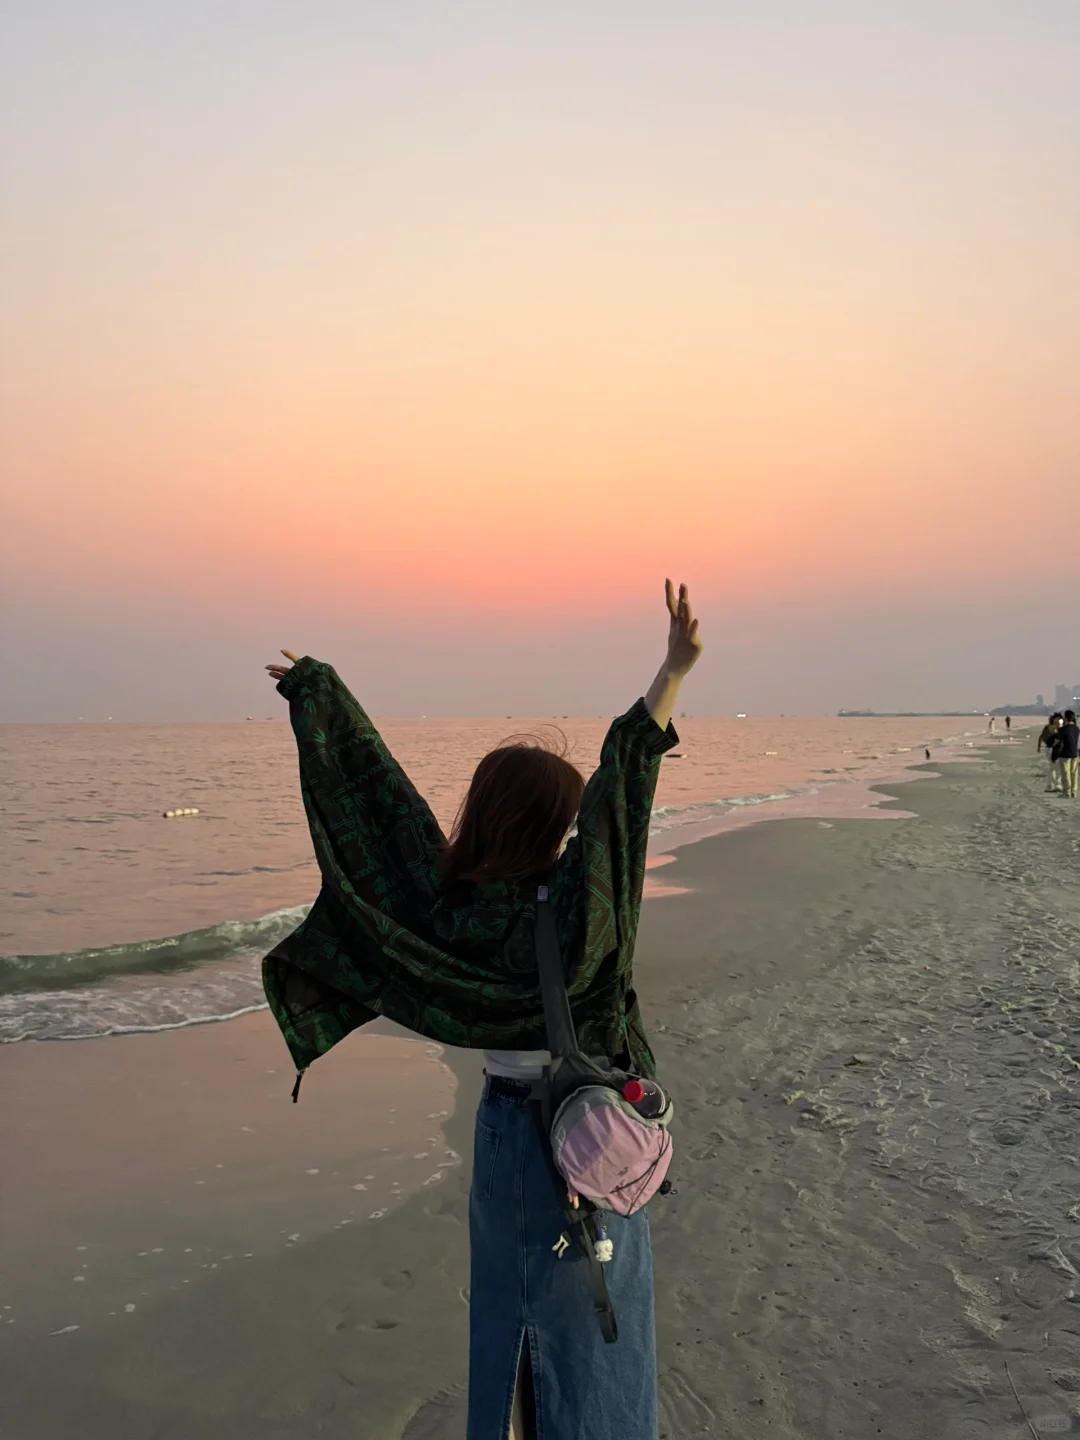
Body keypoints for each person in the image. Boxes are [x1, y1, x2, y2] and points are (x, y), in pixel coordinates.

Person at [262, 580, 703, 1440]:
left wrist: (321, 695)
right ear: (555, 824)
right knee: (593, 1328)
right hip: (585, 1129)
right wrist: (671, 675)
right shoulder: (582, 915)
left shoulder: (450, 911)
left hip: (505, 1135)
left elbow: (377, 818)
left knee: (509, 1319)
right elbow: (623, 796)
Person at [1056, 710, 1079, 799]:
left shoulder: (1063, 729)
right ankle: (1074, 791)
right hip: (1074, 753)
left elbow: (1057, 741)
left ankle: (1066, 792)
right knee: (1074, 773)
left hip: (1065, 754)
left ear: (1066, 718)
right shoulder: (1076, 728)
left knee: (1065, 773)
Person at [1039, 714, 1063, 792]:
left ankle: (1050, 785)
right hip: (1051, 749)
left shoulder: (1058, 728)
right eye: (1056, 720)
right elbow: (1042, 736)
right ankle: (1056, 785)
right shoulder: (1050, 728)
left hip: (1053, 749)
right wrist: (1039, 746)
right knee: (1056, 767)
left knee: (1052, 768)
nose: (1058, 722)